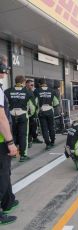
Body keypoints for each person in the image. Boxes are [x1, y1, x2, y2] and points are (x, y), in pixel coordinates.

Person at [0, 58, 19, 225]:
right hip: (1, 141)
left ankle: (8, 201)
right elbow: (1, 118)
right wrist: (10, 142)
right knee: (2, 175)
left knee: (6, 173)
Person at [5, 76, 36, 162]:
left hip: (11, 115)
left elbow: (4, 105)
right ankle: (23, 155)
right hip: (23, 115)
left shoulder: (7, 91)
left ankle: (13, 153)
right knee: (23, 135)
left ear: (15, 82)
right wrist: (29, 115)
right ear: (23, 82)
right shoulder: (28, 92)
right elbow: (32, 107)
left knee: (12, 134)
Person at [34, 79, 59, 150]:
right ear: (46, 83)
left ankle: (47, 143)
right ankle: (53, 141)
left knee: (44, 128)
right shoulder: (52, 91)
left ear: (39, 84)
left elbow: (35, 103)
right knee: (51, 127)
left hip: (41, 111)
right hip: (50, 110)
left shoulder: (37, 91)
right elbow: (56, 103)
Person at [26, 79, 43, 148]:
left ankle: (34, 138)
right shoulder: (25, 91)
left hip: (34, 112)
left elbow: (37, 101)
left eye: (33, 85)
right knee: (29, 127)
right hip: (27, 113)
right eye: (31, 85)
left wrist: (37, 110)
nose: (32, 86)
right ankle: (29, 141)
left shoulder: (34, 91)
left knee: (34, 126)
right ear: (26, 84)